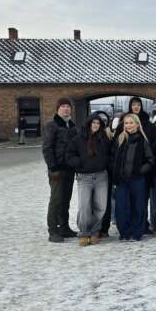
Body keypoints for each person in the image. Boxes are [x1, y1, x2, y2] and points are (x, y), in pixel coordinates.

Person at [66, 112, 111, 247]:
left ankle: (95, 232)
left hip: (101, 177)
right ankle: (84, 232)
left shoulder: (104, 138)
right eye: (93, 123)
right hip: (84, 177)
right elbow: (69, 154)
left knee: (101, 206)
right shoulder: (79, 138)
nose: (95, 125)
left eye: (98, 123)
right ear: (89, 123)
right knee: (85, 206)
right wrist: (79, 162)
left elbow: (110, 154)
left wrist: (105, 163)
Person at [111, 113, 155, 241]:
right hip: (122, 180)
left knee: (138, 206)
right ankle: (124, 232)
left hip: (137, 180)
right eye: (126, 123)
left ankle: (136, 232)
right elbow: (113, 158)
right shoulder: (120, 139)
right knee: (122, 207)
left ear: (137, 124)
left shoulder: (143, 140)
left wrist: (140, 171)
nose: (128, 125)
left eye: (131, 123)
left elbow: (150, 160)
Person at [42, 98, 77, 242]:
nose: (66, 109)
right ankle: (53, 231)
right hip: (57, 169)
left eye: (68, 107)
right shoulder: (52, 125)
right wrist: (52, 167)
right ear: (57, 109)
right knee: (56, 200)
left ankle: (64, 227)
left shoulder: (73, 126)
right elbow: (47, 148)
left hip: (69, 169)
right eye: (63, 106)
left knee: (66, 200)